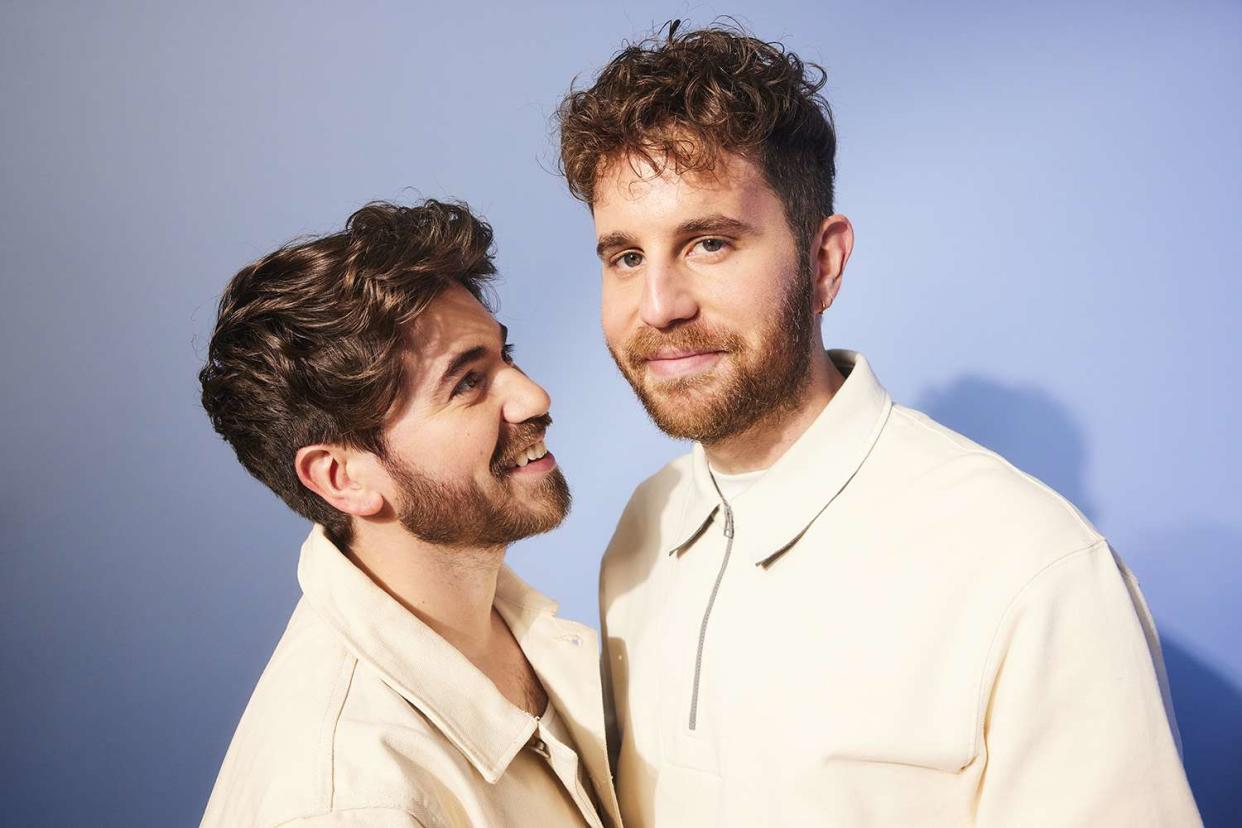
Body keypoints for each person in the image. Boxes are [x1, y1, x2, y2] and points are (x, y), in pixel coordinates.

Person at [557, 23, 1202, 826]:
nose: (658, 305)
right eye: (624, 257)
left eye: (710, 242)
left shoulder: (1035, 574)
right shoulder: (642, 532)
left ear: (823, 264)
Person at [198, 200, 620, 828]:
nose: (533, 395)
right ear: (344, 478)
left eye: (505, 357)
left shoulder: (524, 630)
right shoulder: (349, 801)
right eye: (467, 383)